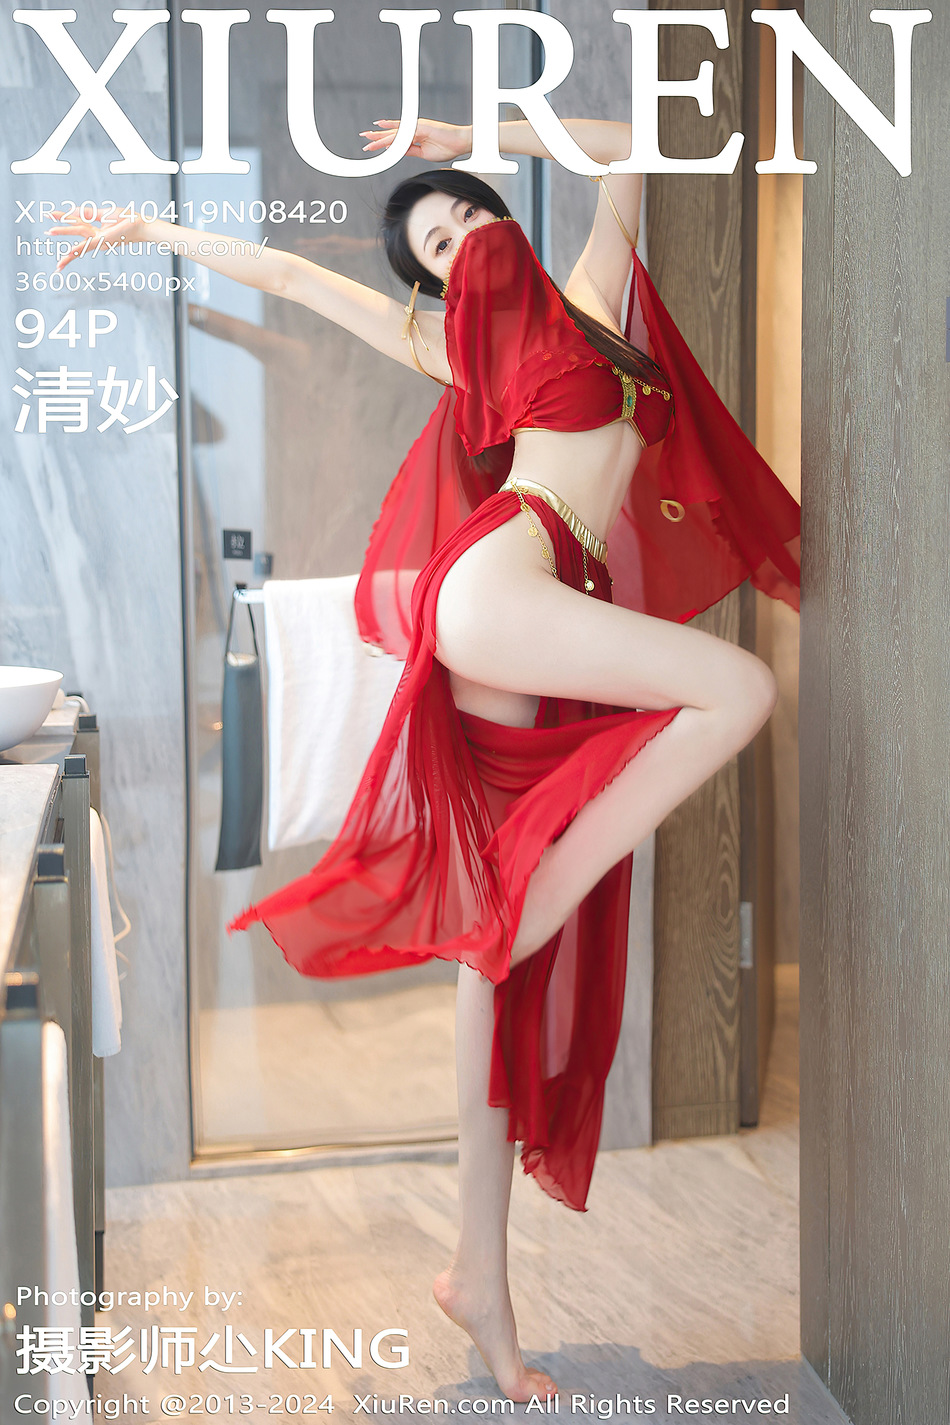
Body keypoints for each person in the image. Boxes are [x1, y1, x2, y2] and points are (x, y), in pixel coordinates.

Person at [50, 116, 800, 1402]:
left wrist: (476, 133)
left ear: (499, 213)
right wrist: (150, 229)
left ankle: (478, 1276)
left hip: (534, 598)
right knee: (735, 688)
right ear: (436, 289)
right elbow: (293, 281)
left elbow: (630, 144)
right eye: (434, 252)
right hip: (499, 582)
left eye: (461, 219)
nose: (457, 248)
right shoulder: (454, 345)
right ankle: (526, 901)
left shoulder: (593, 301)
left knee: (490, 951)